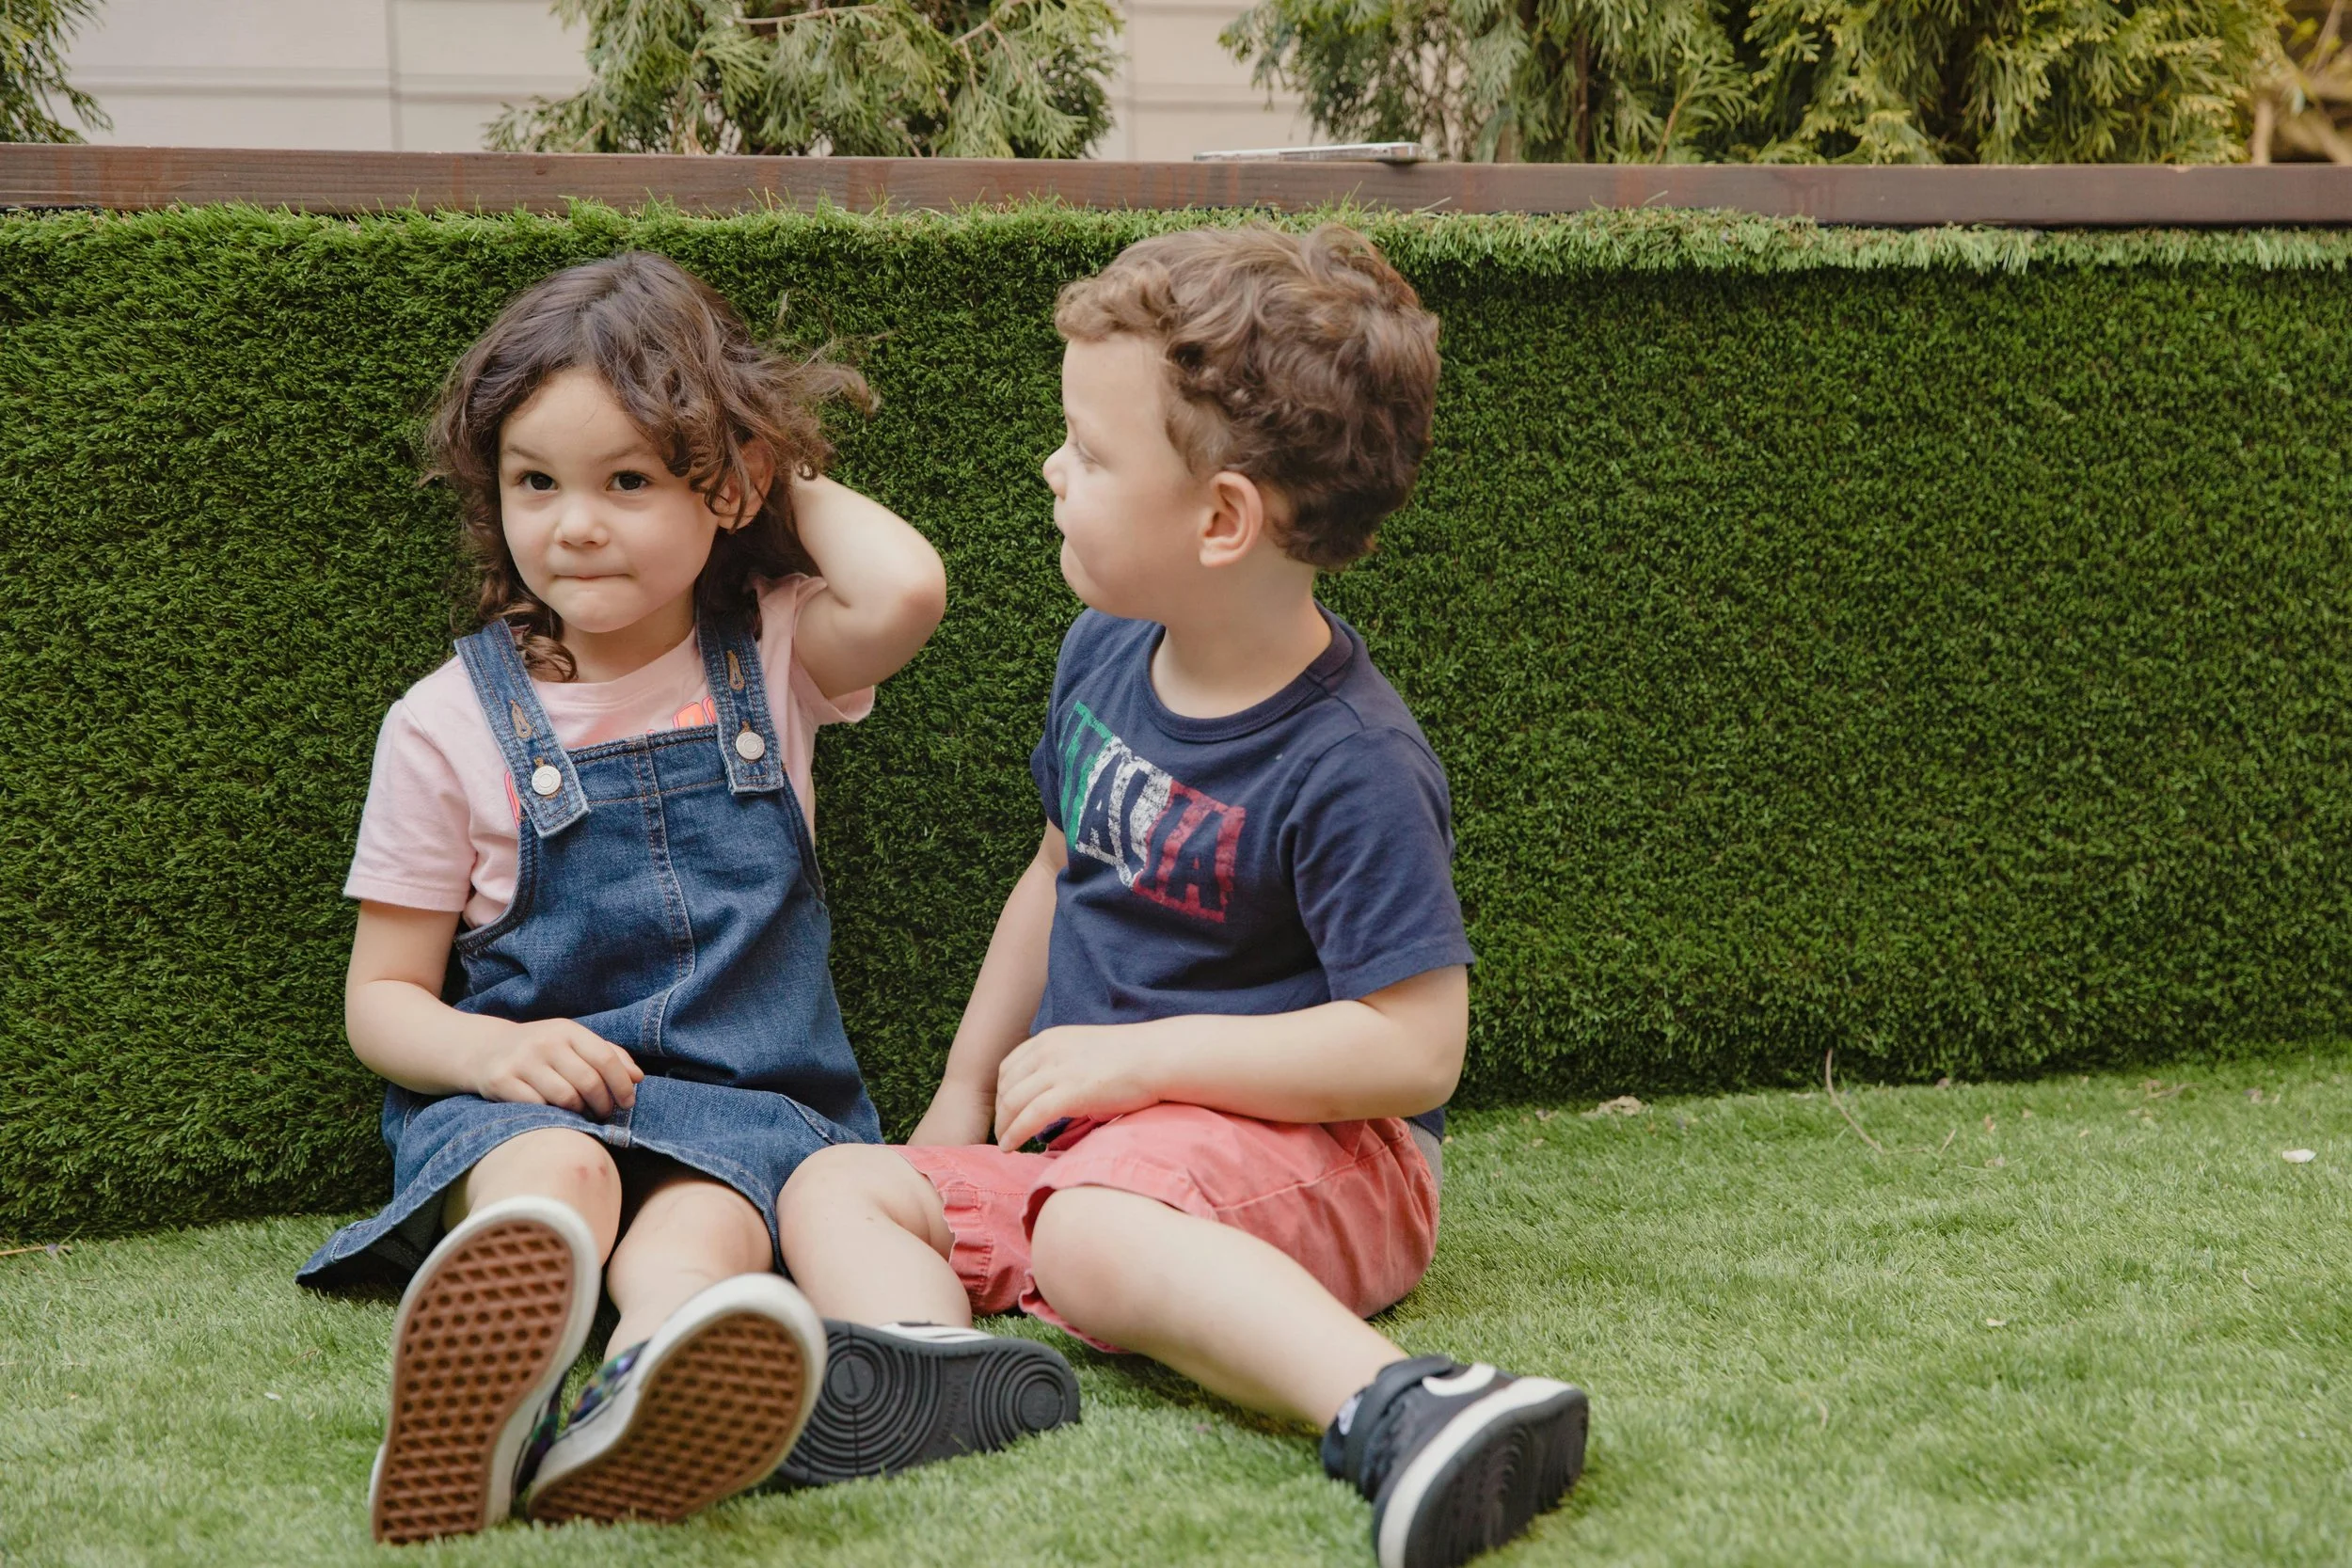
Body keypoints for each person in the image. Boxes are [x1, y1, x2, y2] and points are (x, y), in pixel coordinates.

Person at [773, 225, 1588, 1568]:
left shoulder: (1351, 759)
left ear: (1221, 520)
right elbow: (1055, 872)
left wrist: (1144, 1061)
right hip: (1098, 1153)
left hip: (1334, 1157)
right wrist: (963, 1096)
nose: (1053, 468)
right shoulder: (1103, 653)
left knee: (1091, 1236)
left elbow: (1414, 1048)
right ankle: (931, 1371)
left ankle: (1408, 1403)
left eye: (1090, 454)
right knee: (835, 1185)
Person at [294, 250, 946, 1544]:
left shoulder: (773, 651)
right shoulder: (444, 724)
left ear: (725, 487)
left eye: (630, 480)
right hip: (519, 1105)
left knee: (703, 1227)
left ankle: (645, 1376)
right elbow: (381, 1001)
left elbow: (908, 589)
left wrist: (763, 463)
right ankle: (493, 1380)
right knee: (558, 1180)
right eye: (535, 481)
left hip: (738, 1107)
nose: (575, 525)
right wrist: (494, 1053)